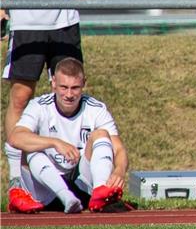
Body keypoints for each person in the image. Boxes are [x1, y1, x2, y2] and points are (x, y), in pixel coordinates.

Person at [1, 0, 97, 213]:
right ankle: (16, 180)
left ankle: (78, 179)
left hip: (64, 23)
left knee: (70, 95)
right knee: (21, 98)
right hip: (27, 23)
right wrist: (3, 7)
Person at [6, 58, 127, 213]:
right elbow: (15, 138)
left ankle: (100, 193)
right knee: (29, 146)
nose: (69, 94)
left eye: (75, 88)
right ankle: (66, 198)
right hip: (46, 192)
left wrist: (119, 171)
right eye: (64, 87)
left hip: (81, 184)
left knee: (101, 134)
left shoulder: (96, 109)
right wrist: (55, 142)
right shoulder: (39, 106)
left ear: (84, 83)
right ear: (54, 83)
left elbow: (119, 149)